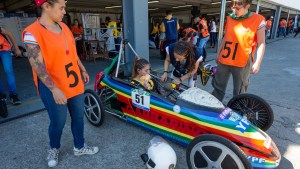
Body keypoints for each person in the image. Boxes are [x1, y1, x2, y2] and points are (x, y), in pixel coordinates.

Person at [23, 0, 99, 167]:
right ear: (46, 6)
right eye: (61, 7)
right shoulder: (31, 33)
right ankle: (54, 147)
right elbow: (37, 65)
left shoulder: (63, 27)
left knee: (78, 117)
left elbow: (72, 52)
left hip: (74, 82)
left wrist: (82, 68)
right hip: (53, 87)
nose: (65, 11)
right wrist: (54, 89)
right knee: (58, 121)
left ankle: (79, 146)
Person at [212, 0, 266, 102]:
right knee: (218, 86)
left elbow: (261, 43)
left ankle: (239, 110)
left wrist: (258, 63)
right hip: (225, 58)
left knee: (239, 91)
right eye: (233, 7)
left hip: (242, 61)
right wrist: (219, 52)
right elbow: (226, 37)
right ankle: (213, 107)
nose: (234, 11)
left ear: (247, 6)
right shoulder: (230, 18)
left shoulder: (258, 20)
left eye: (238, 8)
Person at [0, 27, 22, 107]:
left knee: (8, 72)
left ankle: (13, 95)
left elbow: (9, 33)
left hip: (4, 50)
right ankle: (1, 95)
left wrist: (16, 48)